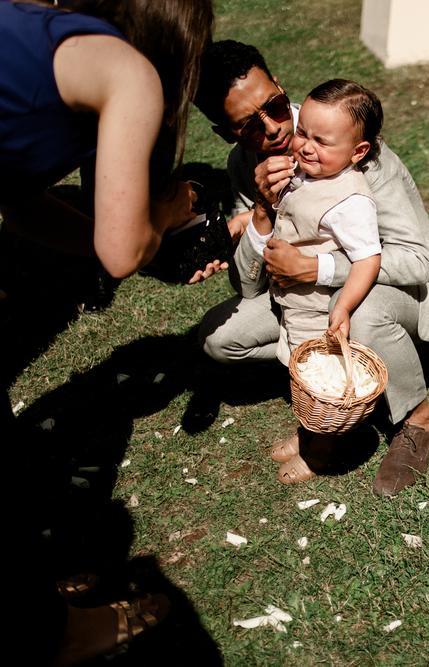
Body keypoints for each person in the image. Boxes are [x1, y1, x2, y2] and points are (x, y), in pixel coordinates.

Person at [0, 1, 213, 664]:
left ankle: (27, 593)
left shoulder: (32, 32)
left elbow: (18, 204)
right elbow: (125, 251)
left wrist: (99, 239)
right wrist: (165, 212)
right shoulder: (130, 69)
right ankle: (57, 632)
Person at [193, 40, 429, 493]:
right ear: (226, 133)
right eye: (248, 125)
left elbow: (413, 262)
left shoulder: (350, 143)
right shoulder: (243, 164)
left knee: (363, 310)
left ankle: (417, 417)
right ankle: (332, 381)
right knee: (219, 339)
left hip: (395, 292)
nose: (275, 130)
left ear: (279, 86)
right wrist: (260, 209)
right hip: (299, 297)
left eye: (276, 106)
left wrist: (316, 267)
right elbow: (248, 287)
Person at [241, 78, 384, 480]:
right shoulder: (306, 171)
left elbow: (367, 258)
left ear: (357, 152)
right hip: (291, 300)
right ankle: (307, 434)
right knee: (294, 369)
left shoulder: (351, 201)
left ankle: (320, 450)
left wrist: (343, 305)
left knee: (316, 383)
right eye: (303, 132)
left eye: (321, 141)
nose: (305, 146)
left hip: (316, 305)